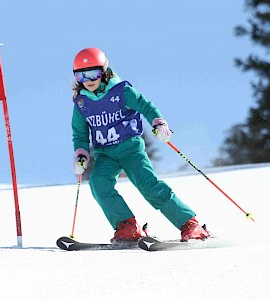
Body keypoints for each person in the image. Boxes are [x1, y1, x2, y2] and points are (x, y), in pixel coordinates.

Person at [71, 47, 210, 242]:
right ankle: (126, 226)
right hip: (105, 154)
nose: (88, 80)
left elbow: (145, 106)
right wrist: (81, 154)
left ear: (103, 71)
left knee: (148, 185)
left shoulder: (121, 91)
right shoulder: (81, 103)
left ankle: (190, 223)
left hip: (130, 149)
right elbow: (80, 133)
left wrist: (159, 123)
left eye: (93, 73)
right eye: (81, 76)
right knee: (98, 184)